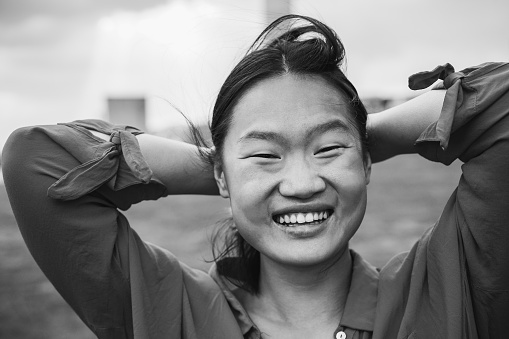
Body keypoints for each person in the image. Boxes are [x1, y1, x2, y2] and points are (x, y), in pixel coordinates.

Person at [2, 14, 509, 339]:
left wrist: (364, 137)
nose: (302, 182)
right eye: (267, 156)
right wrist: (231, 173)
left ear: (367, 160)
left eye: (328, 149)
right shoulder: (170, 314)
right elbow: (36, 160)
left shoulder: (447, 290)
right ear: (220, 173)